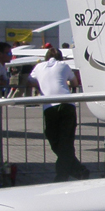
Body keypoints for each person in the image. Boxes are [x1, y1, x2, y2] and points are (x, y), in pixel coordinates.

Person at [30, 48, 88, 181]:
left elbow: (30, 81)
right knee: (66, 141)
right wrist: (66, 82)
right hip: (67, 104)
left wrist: (42, 84)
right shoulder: (64, 66)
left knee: (54, 139)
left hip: (49, 105)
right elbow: (75, 82)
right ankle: (76, 170)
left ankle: (64, 174)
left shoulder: (39, 67)